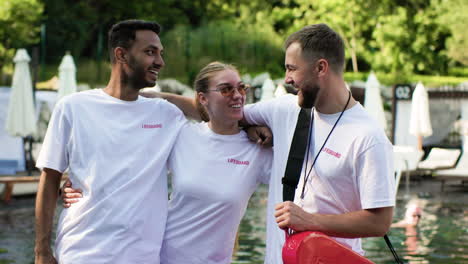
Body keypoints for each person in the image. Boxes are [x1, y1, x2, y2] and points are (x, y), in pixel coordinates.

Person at [128, 23, 396, 263]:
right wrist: (152, 96)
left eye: (292, 69)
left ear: (321, 68)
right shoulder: (284, 110)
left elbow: (380, 222)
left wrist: (311, 221)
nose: (287, 79)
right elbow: (222, 111)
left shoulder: (368, 136)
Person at [61, 61, 273, 264]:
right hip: (157, 255)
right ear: (203, 98)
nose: (237, 95)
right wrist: (77, 185)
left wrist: (253, 125)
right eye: (226, 89)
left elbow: (299, 185)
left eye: (241, 88)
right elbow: (126, 161)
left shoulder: (258, 150)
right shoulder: (182, 133)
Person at [34, 19, 187, 264]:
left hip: (142, 257)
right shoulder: (73, 107)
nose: (160, 61)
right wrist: (41, 252)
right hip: (81, 252)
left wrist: (161, 95)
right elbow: (50, 178)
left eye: (160, 53)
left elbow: (214, 112)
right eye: (150, 52)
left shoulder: (166, 114)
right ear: (121, 54)